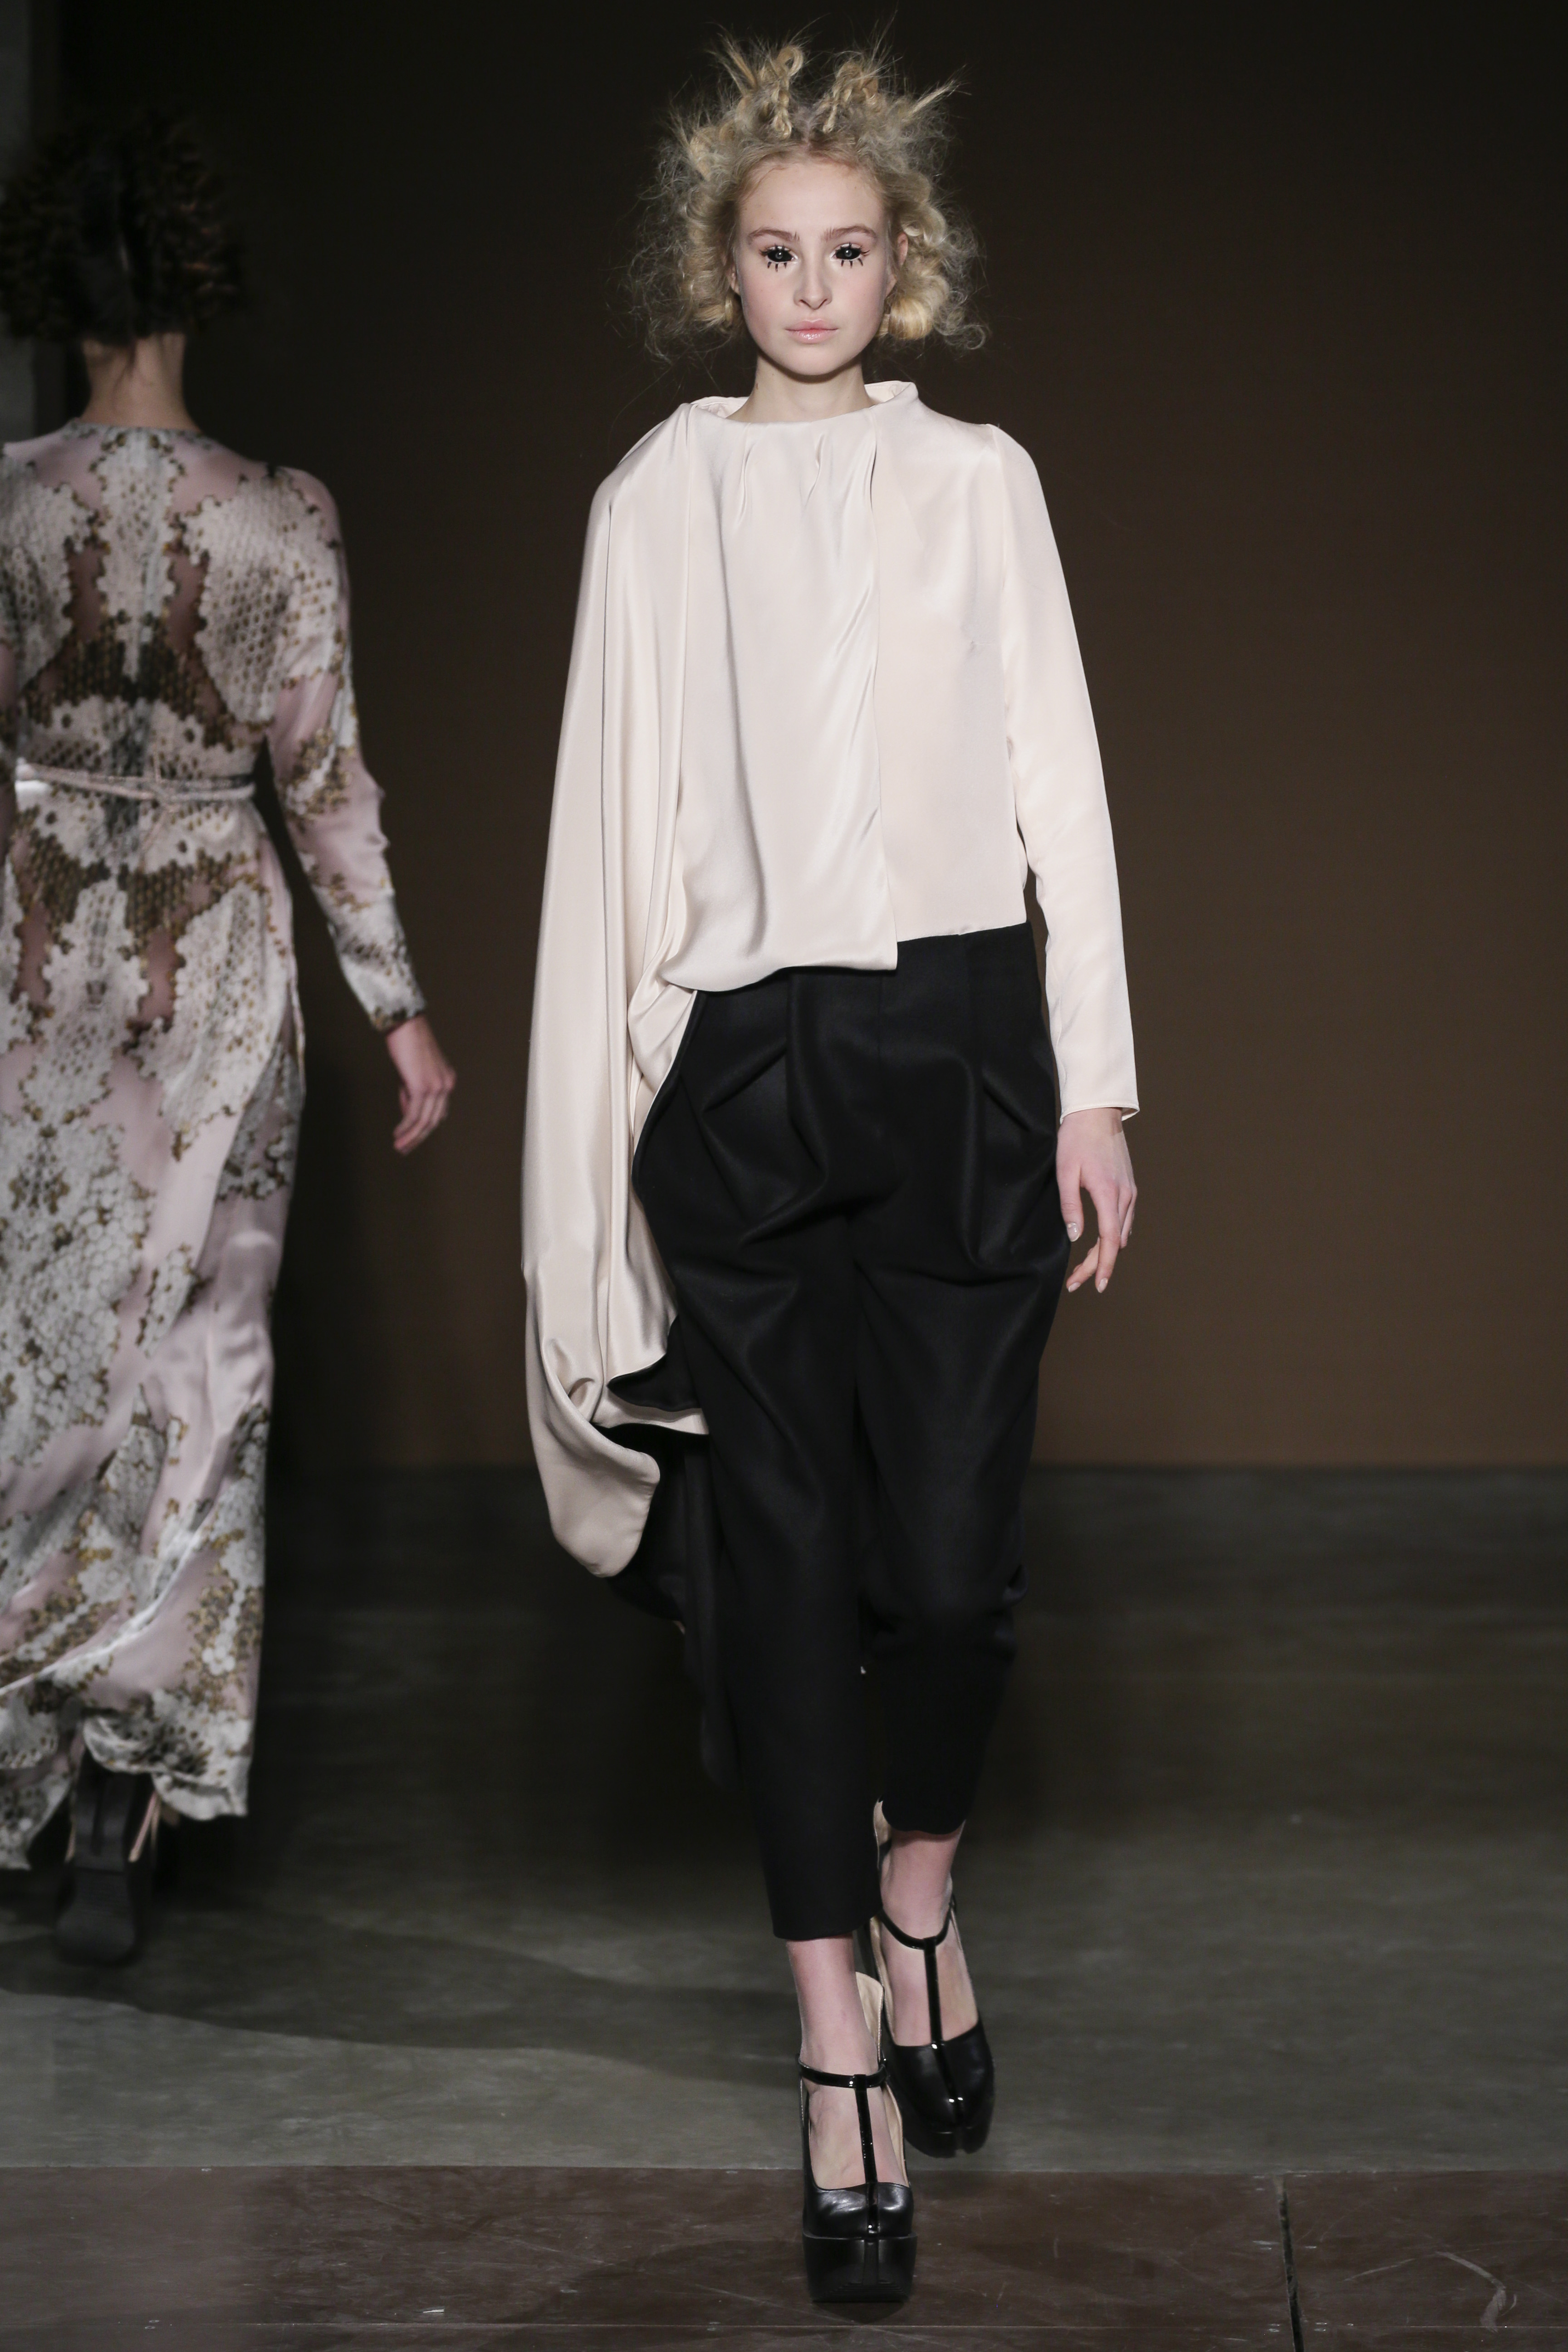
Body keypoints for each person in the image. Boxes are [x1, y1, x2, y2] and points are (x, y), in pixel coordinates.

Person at [524, 40, 1136, 2304]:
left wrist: (1097, 1088)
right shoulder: (655, 496)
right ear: (722, 273)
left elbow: (1062, 778)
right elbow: (606, 830)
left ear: (906, 267)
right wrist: (602, 1154)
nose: (810, 284)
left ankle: (919, 1903)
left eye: (848, 248)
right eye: (774, 251)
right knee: (779, 1573)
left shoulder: (984, 481)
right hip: (746, 1070)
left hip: (968, 1049)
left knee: (955, 1580)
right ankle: (832, 2046)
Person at [0, 117, 454, 1961]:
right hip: (212, 974)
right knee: (198, 1356)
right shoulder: (282, 517)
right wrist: (400, 1011)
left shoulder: (9, 502)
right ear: (200, 283)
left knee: (33, 1352)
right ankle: (123, 1793)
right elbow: (324, 785)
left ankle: (27, 1748)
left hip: (32, 959)